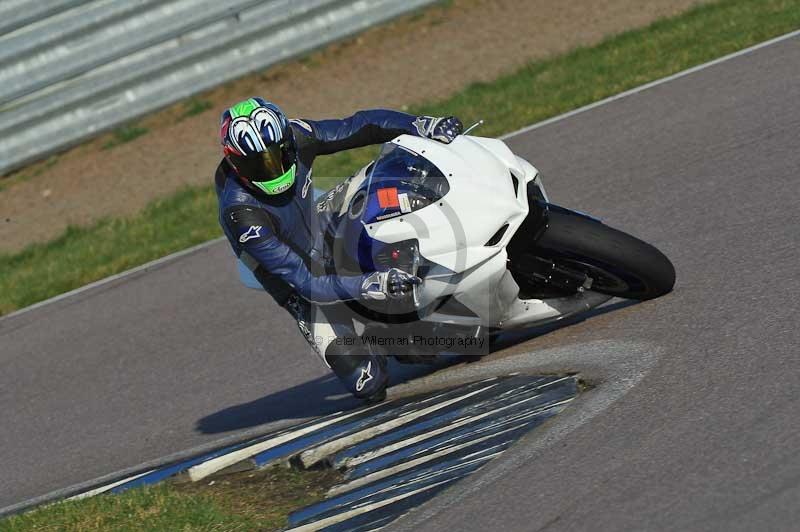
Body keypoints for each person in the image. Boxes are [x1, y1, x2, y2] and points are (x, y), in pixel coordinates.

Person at [215, 97, 463, 402]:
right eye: (258, 164)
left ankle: (433, 273)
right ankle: (381, 338)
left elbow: (361, 126)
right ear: (235, 163)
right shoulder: (241, 214)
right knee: (368, 385)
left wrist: (420, 124)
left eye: (278, 155)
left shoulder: (299, 133)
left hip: (321, 223)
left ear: (288, 141)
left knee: (385, 180)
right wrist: (371, 284)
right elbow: (308, 283)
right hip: (298, 285)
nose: (272, 169)